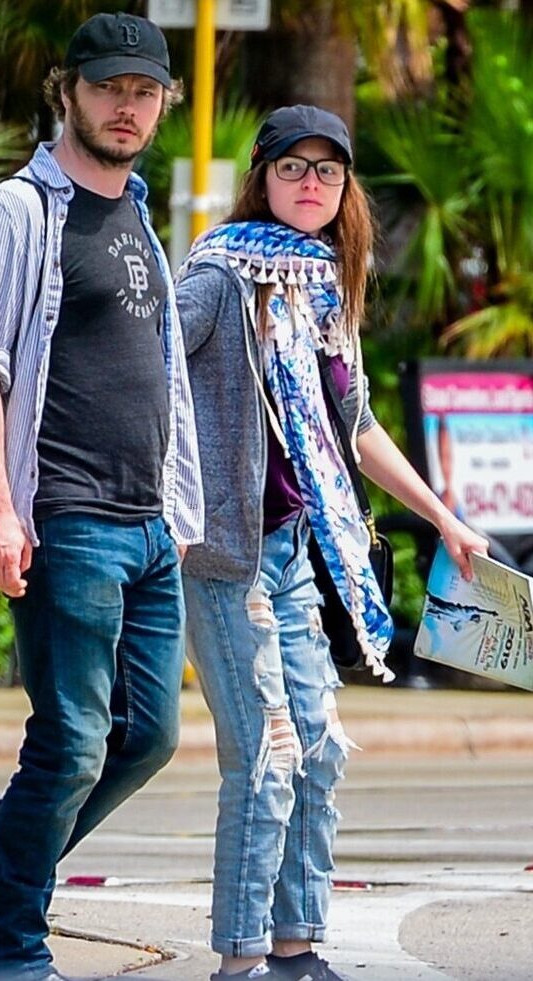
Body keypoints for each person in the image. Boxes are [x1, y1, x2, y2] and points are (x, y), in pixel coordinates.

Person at [0, 12, 203, 981]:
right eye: (108, 87)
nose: (126, 106)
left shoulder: (141, 218)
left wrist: (178, 509)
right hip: (64, 518)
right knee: (68, 743)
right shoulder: (16, 214)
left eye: (143, 92)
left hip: (146, 527)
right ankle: (13, 949)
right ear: (68, 89)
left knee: (143, 738)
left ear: (162, 102)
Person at [174, 104, 488, 981]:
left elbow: (354, 427)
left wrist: (445, 518)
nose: (310, 183)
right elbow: (156, 375)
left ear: (344, 188)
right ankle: (237, 962)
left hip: (294, 554)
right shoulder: (217, 277)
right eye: (292, 167)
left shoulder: (321, 290)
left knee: (318, 749)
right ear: (262, 176)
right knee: (268, 759)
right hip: (226, 558)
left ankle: (296, 950)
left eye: (328, 170)